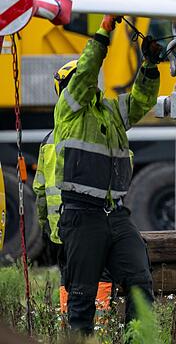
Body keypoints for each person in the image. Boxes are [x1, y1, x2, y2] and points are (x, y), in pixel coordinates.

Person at [52, 14, 163, 333]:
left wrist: (149, 66)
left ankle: (137, 341)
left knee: (140, 284)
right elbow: (86, 72)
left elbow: (142, 101)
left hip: (116, 215)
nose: (84, 83)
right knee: (83, 298)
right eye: (76, 81)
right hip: (81, 216)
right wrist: (104, 31)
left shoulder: (110, 112)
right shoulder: (68, 112)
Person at [33, 131, 112, 319]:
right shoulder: (92, 132)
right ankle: (101, 329)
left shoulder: (48, 140)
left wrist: (46, 225)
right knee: (100, 274)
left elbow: (40, 190)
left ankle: (69, 330)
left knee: (68, 276)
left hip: (60, 227)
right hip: (89, 223)